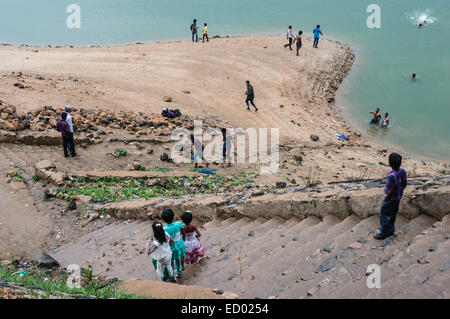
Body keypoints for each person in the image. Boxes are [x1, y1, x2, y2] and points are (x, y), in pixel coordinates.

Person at [373, 153, 407, 240]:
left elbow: (392, 189)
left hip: (391, 198)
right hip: (398, 197)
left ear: (389, 163)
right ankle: (390, 229)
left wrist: (386, 198)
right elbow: (405, 183)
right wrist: (401, 191)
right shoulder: (402, 171)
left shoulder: (391, 175)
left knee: (384, 213)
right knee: (393, 213)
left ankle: (383, 233)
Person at [162, 208, 186, 278]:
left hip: (172, 247)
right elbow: (183, 232)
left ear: (164, 220)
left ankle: (172, 274)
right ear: (173, 216)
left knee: (171, 261)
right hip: (180, 243)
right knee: (179, 257)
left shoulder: (164, 229)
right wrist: (183, 239)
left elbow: (166, 240)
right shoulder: (179, 224)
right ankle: (180, 270)